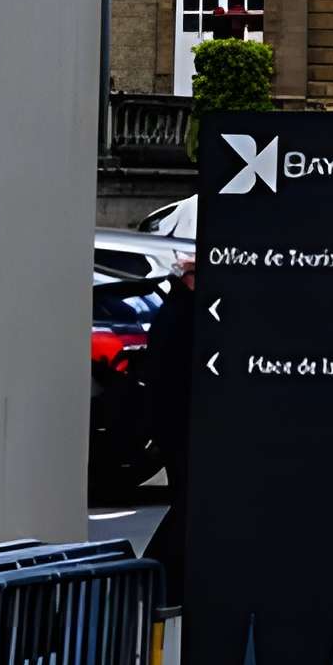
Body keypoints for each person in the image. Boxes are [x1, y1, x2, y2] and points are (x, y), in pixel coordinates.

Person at [142, 252, 198, 601]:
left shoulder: (177, 311)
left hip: (174, 422)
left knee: (187, 500)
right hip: (181, 423)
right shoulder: (184, 315)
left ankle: (162, 575)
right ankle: (159, 573)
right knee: (190, 502)